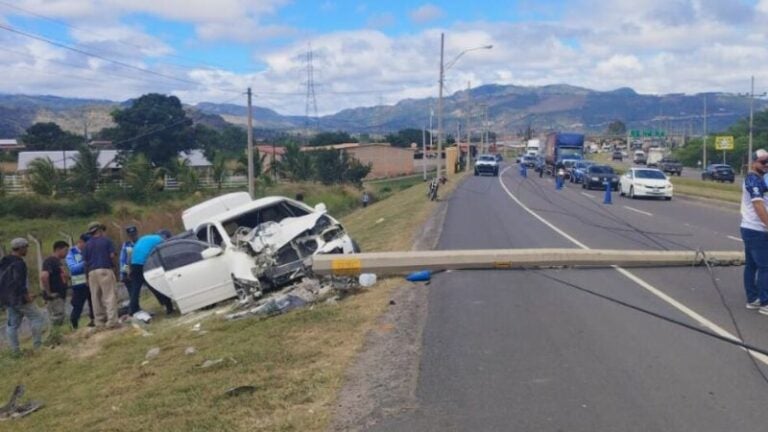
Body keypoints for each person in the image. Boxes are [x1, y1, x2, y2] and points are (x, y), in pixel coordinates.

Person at [0, 238, 45, 355]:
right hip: (19, 297)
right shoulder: (19, 263)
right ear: (20, 248)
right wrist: (26, 295)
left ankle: (15, 351)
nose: (27, 250)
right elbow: (19, 282)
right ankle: (38, 346)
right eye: (25, 247)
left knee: (12, 325)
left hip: (6, 298)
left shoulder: (4, 261)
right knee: (37, 318)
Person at [741, 149, 768, 314]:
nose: (766, 165)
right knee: (765, 266)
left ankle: (753, 299)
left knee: (751, 265)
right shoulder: (752, 180)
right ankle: (765, 302)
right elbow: (758, 205)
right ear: (753, 162)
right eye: (763, 162)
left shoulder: (760, 179)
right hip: (756, 228)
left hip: (751, 227)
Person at [128, 230, 175, 316]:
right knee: (157, 283)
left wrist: (130, 269)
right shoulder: (160, 240)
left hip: (134, 263)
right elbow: (163, 253)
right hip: (142, 264)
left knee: (136, 288)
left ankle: (132, 309)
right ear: (165, 237)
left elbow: (132, 254)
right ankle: (169, 307)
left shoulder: (146, 238)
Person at [82, 221, 119, 328]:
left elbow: (85, 262)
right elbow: (112, 255)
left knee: (95, 297)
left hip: (91, 272)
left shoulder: (87, 245)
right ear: (99, 230)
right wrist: (115, 269)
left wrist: (86, 278)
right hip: (104, 269)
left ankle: (99, 321)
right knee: (109, 296)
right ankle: (112, 321)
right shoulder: (107, 241)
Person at [66, 234, 95, 329]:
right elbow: (73, 269)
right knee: (78, 306)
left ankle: (94, 321)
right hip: (79, 284)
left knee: (94, 303)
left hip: (91, 282)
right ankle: (74, 324)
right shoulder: (72, 253)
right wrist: (85, 262)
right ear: (81, 242)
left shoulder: (90, 250)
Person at [41, 241, 69, 326]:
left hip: (60, 294)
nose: (67, 253)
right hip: (55, 295)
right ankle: (55, 336)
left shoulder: (59, 262)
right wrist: (49, 293)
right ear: (58, 249)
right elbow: (44, 276)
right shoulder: (50, 261)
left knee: (61, 317)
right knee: (57, 318)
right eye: (65, 250)